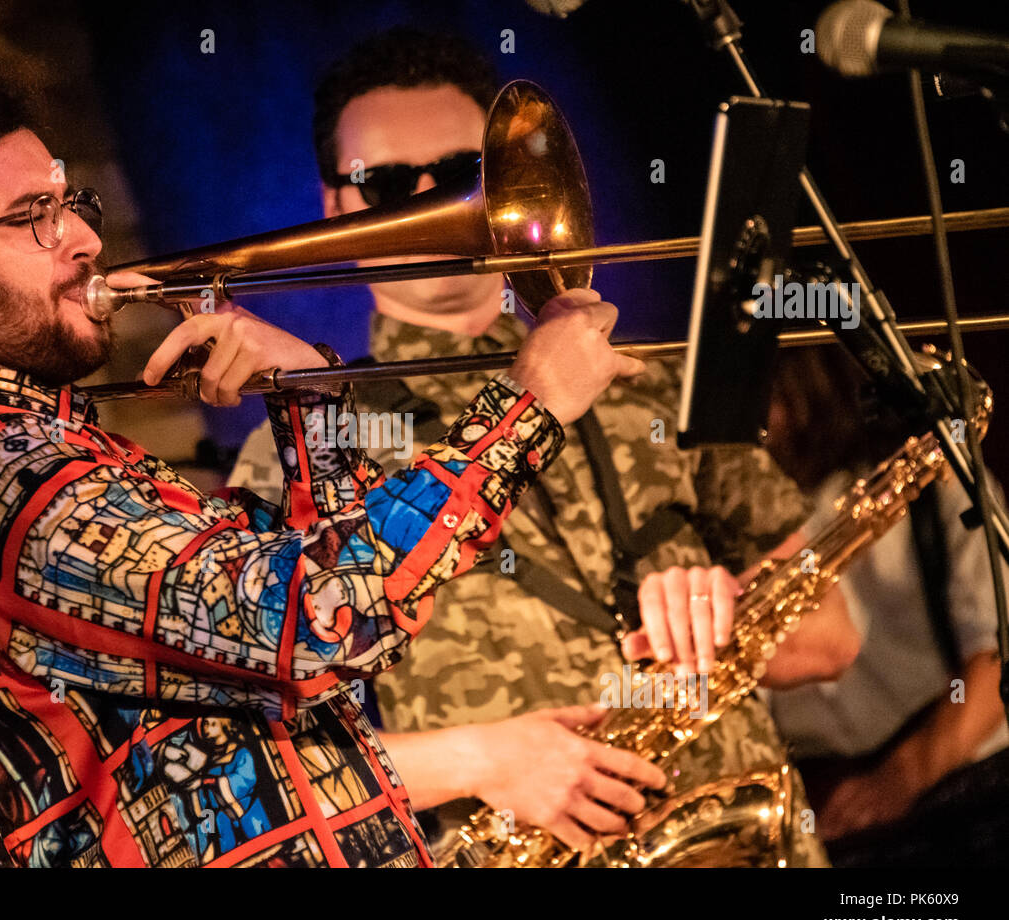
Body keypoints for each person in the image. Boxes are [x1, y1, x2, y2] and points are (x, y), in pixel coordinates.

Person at [0, 68, 645, 868]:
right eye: (33, 216)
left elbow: (317, 631)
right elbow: (323, 625)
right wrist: (527, 407)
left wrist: (305, 395)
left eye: (71, 204)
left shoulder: (57, 446)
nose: (84, 240)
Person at [229, 27, 860, 864]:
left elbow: (836, 637)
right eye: (384, 182)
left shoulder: (645, 383)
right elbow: (243, 773)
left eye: (457, 176)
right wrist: (485, 759)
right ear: (336, 205)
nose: (424, 203)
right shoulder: (304, 443)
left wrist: (731, 605)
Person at [763, 345, 1009, 866]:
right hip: (830, 818)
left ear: (807, 386)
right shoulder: (731, 524)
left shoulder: (937, 490)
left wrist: (900, 777)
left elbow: (998, 658)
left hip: (966, 797)